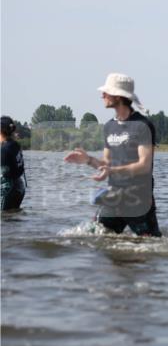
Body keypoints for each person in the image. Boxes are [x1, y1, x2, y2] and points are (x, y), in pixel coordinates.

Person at [63, 74, 161, 236]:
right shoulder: (109, 126)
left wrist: (112, 171)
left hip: (138, 198)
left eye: (106, 92)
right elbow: (106, 164)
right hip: (114, 196)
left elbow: (144, 165)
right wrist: (88, 160)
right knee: (95, 237)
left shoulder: (143, 126)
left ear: (118, 96)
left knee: (153, 245)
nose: (102, 95)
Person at [1, 116, 26, 211]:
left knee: (4, 217)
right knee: (13, 217)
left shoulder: (3, 149)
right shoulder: (15, 145)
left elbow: (4, 173)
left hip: (8, 188)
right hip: (19, 186)